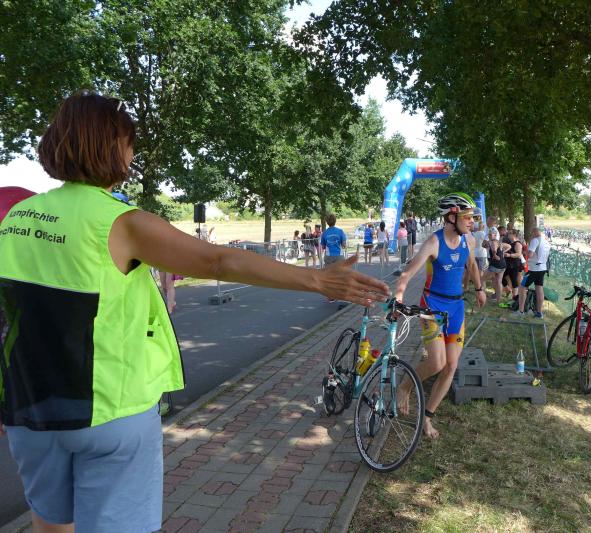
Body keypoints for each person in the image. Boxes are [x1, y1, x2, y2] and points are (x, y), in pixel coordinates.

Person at [0, 91, 389, 533]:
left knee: (51, 523)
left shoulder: (16, 220)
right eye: (129, 143)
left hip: (29, 409)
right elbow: (217, 261)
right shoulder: (122, 223)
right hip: (110, 410)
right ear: (110, 146)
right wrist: (317, 280)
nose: (132, 154)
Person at [395, 193, 486, 439]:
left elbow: (472, 265)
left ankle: (426, 418)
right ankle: (405, 387)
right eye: (467, 217)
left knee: (451, 365)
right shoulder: (433, 243)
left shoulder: (468, 240)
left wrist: (479, 289)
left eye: (473, 217)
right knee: (437, 363)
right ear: (451, 217)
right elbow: (408, 273)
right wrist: (399, 296)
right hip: (432, 307)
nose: (472, 222)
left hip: (456, 308)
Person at [518, 226, 551, 318]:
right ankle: (539, 312)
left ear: (535, 232)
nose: (531, 235)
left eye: (532, 233)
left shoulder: (535, 240)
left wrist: (525, 252)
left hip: (533, 269)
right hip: (543, 268)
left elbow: (530, 254)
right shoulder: (546, 241)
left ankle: (520, 311)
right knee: (539, 288)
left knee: (522, 287)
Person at [486, 227, 511, 305]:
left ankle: (481, 296)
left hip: (495, 265)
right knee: (498, 282)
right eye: (489, 234)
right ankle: (498, 300)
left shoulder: (493, 242)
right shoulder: (499, 242)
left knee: (481, 279)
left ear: (495, 235)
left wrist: (494, 255)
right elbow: (509, 246)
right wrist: (503, 252)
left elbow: (494, 249)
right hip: (502, 265)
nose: (490, 236)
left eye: (491, 234)